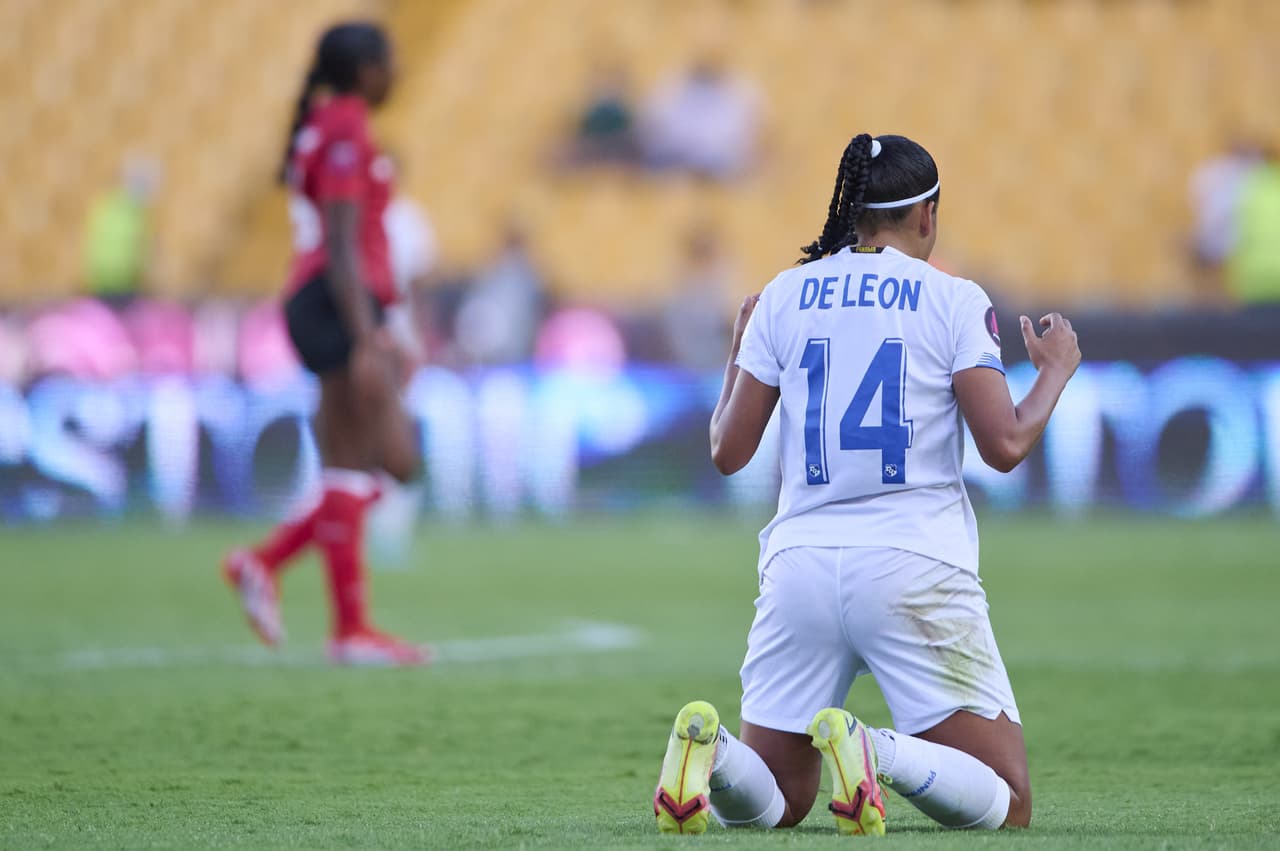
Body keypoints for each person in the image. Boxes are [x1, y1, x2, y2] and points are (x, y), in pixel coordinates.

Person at [653, 134, 1081, 834]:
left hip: (801, 568)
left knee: (781, 799)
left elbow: (727, 451)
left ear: (852, 211)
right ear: (928, 215)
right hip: (914, 563)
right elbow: (1003, 444)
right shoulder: (953, 298)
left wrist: (736, 357)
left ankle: (712, 755)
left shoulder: (784, 296)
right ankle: (871, 747)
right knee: (1011, 798)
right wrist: (1056, 370)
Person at [222, 22, 428, 666]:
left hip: (331, 301)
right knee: (383, 460)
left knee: (370, 463)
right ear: (365, 70)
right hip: (336, 303)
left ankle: (271, 567)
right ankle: (348, 628)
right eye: (388, 61)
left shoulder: (325, 124)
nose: (396, 73)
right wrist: (370, 334)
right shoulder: (346, 128)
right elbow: (341, 243)